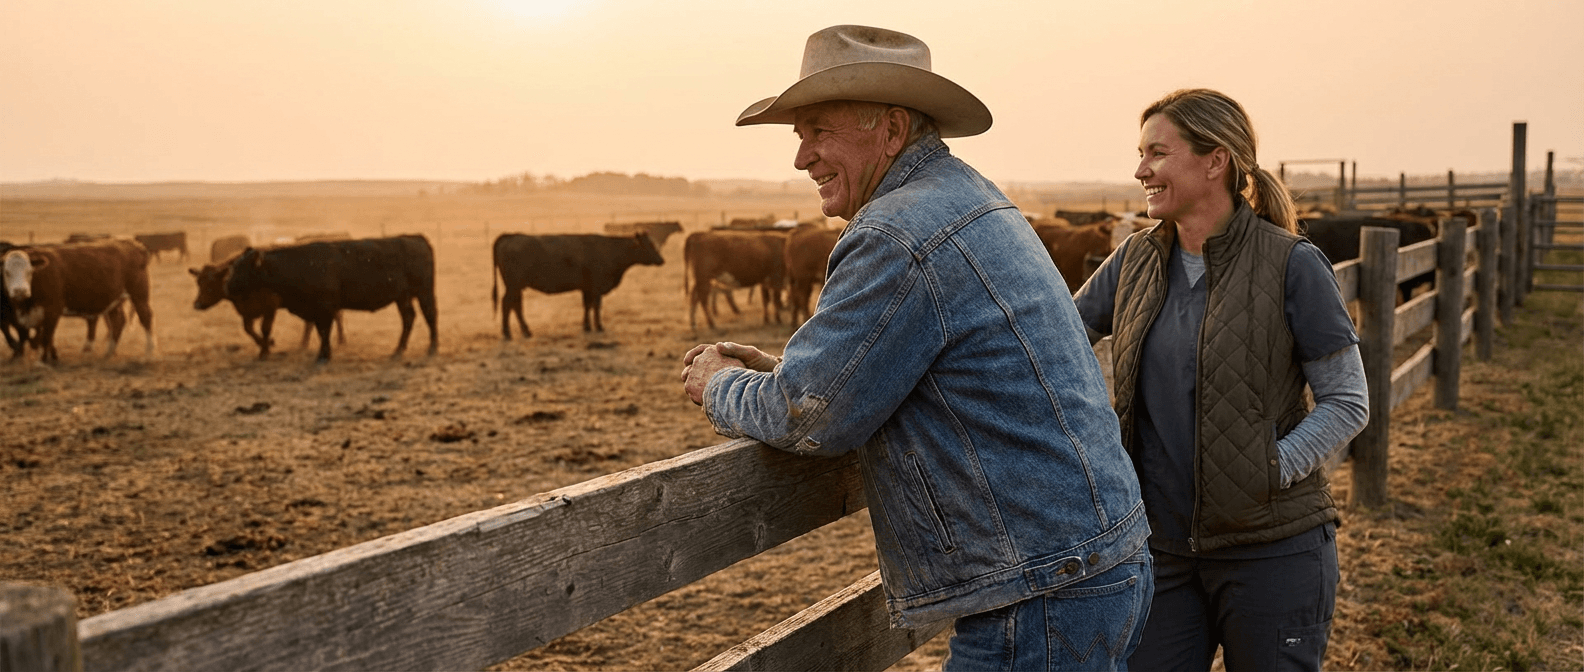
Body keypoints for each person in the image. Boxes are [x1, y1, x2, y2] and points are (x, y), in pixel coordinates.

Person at [679, 25, 1151, 670]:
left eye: (819, 131)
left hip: (1039, 590)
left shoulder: (897, 232)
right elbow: (905, 365)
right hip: (1090, 559)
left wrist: (719, 384)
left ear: (892, 129)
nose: (801, 158)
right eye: (800, 136)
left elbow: (812, 416)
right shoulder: (971, 200)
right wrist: (790, 369)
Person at [1073, 88, 1369, 671]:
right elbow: (1053, 348)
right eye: (1140, 154)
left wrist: (1269, 467)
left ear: (1216, 161)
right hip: (1160, 551)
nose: (1140, 170)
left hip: (1272, 551)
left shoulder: (1291, 263)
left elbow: (1347, 400)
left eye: (1158, 153)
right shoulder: (1134, 260)